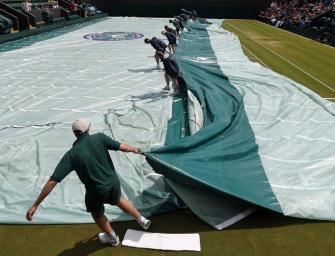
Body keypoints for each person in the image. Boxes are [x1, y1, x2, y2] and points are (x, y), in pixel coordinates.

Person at [26, 118, 151, 246]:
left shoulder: (71, 154)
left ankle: (112, 238)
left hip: (96, 191)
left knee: (96, 213)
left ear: (75, 133)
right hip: (113, 182)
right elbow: (122, 147)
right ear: (88, 129)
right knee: (118, 199)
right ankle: (141, 219)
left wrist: (35, 205)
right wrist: (135, 149)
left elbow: (53, 181)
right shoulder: (100, 138)